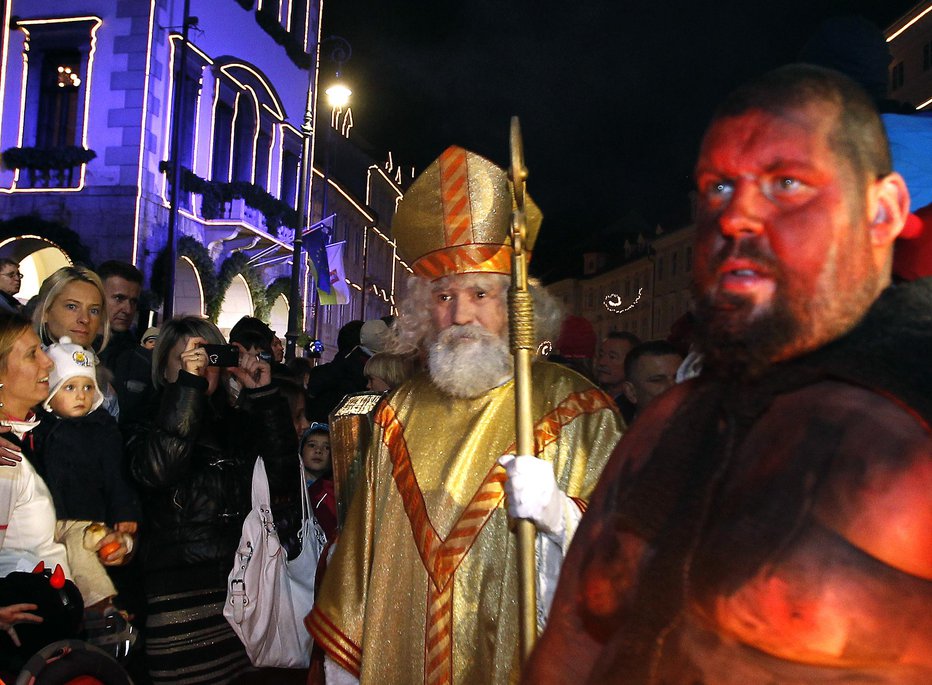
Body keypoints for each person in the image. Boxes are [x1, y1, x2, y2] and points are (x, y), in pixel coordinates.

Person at [523, 64, 932, 684]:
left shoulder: (910, 448)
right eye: (716, 188)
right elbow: (575, 640)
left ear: (885, 212)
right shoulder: (669, 423)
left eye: (786, 182)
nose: (735, 217)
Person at [307, 146, 623, 684]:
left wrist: (560, 517)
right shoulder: (398, 412)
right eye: (444, 296)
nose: (460, 314)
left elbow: (629, 564)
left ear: (515, 302)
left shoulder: (580, 413)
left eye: (479, 292)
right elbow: (360, 567)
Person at [126, 316, 299, 684]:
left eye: (208, 359)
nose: (202, 368)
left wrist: (263, 395)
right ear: (165, 366)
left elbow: (283, 474)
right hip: (177, 600)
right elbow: (158, 470)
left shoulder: (235, 421)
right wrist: (188, 388)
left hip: (241, 593)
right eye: (188, 358)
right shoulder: (144, 415)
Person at [31, 336, 139, 614]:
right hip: (46, 520)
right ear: (50, 396)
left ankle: (102, 606)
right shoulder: (37, 428)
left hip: (85, 516)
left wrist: (125, 511)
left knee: (84, 554)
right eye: (69, 387)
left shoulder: (101, 429)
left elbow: (117, 475)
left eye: (87, 387)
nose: (80, 395)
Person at [32, 266, 119, 420]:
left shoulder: (103, 388)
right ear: (46, 312)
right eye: (72, 306)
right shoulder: (16, 369)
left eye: (94, 310)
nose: (84, 319)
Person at [96, 261, 143, 369]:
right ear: (97, 296)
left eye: (133, 301)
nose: (128, 309)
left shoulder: (144, 361)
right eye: (119, 298)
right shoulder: (72, 351)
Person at [620, 340, 684, 418]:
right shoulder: (618, 429)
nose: (672, 386)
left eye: (679, 377)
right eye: (657, 380)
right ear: (630, 392)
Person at [593, 331, 640, 423]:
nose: (602, 362)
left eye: (612, 357)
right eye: (601, 355)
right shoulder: (590, 399)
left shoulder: (636, 410)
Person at [300, 423, 336, 542]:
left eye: (327, 447)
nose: (318, 451)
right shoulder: (292, 490)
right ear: (301, 451)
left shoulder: (333, 494)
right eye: (312, 445)